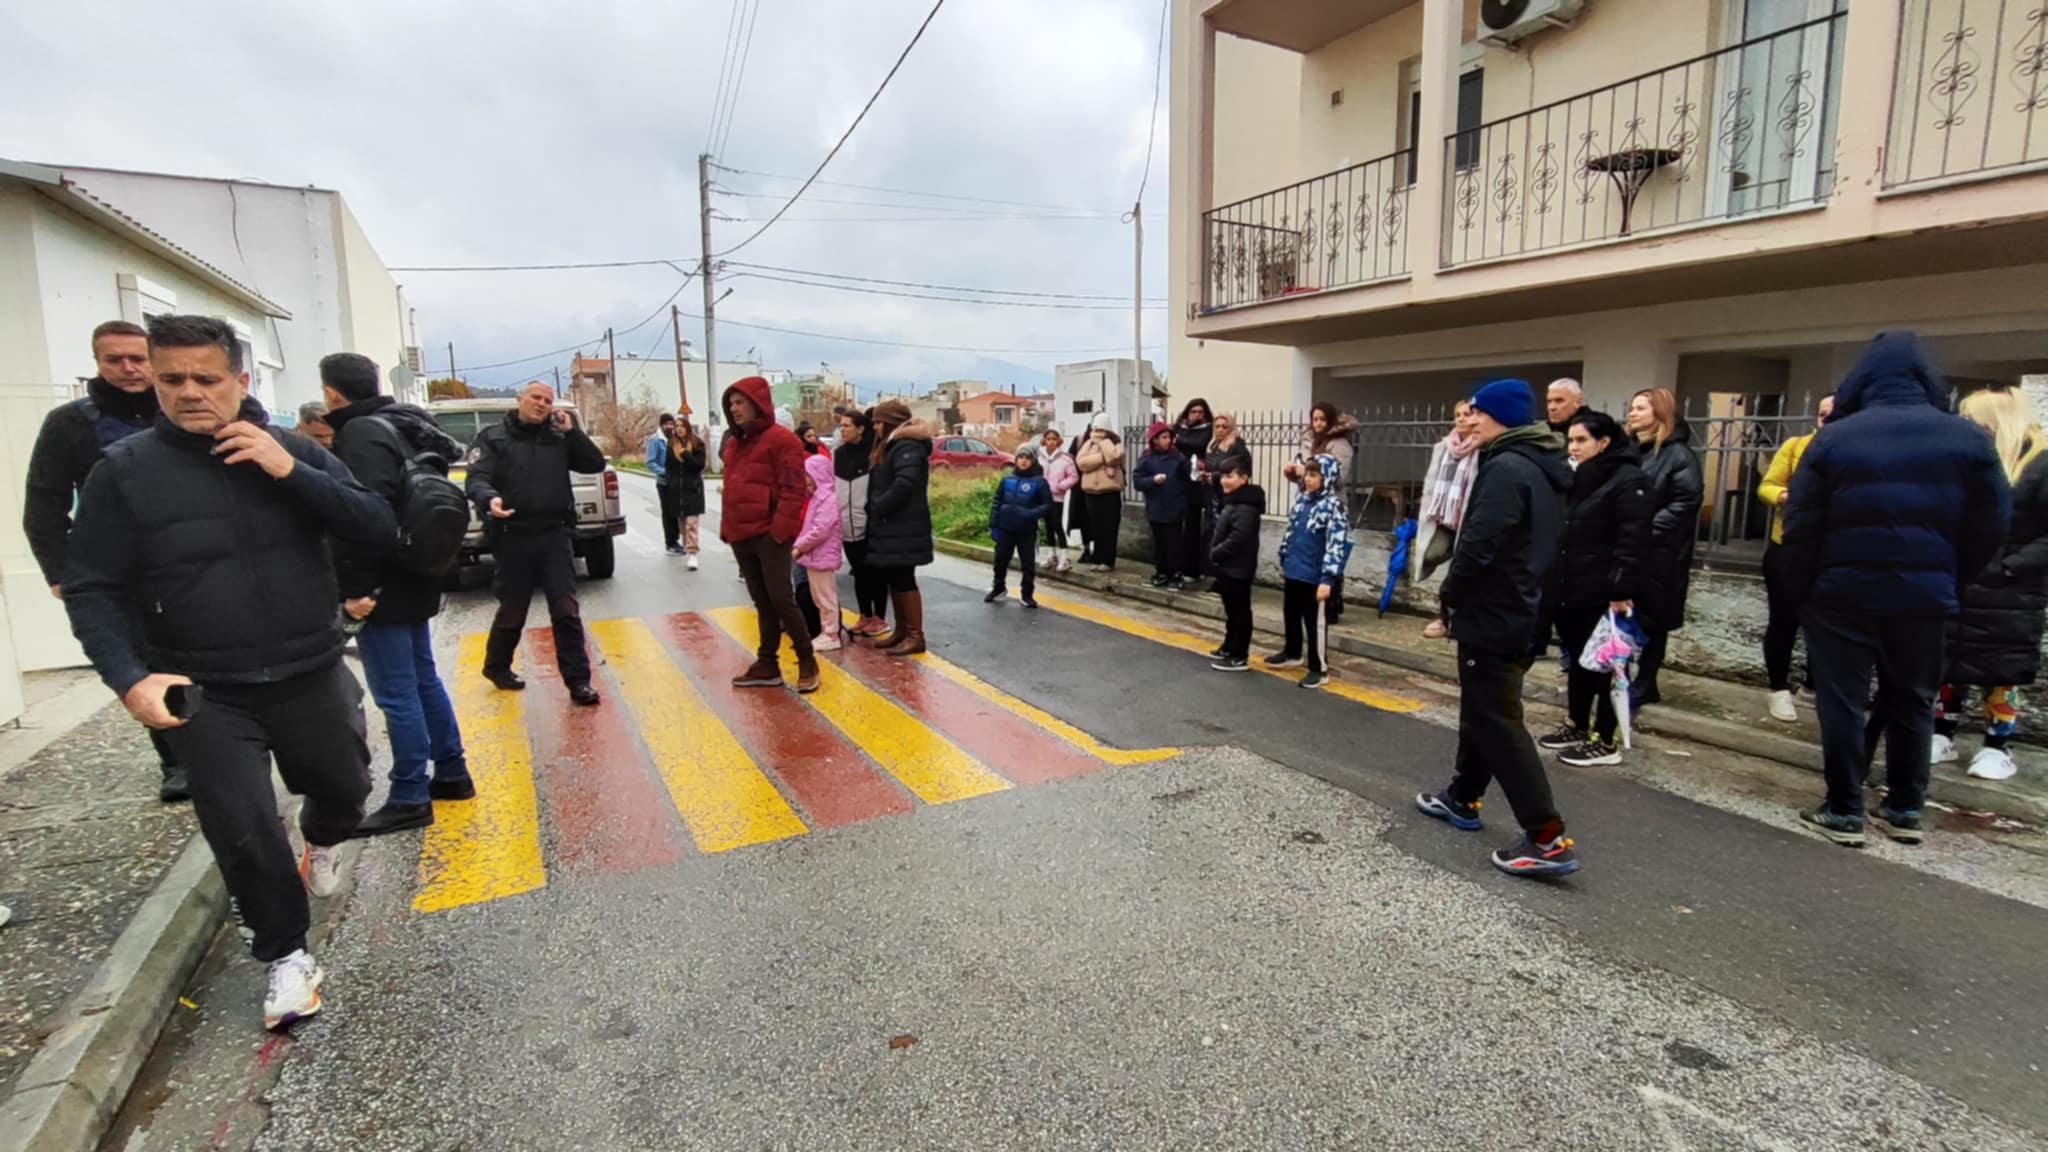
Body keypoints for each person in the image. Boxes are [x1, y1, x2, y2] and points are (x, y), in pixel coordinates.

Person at [63, 314, 393, 1030]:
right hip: (204, 687)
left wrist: (291, 471)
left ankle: (325, 836)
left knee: (347, 786)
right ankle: (285, 955)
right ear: (152, 378)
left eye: (206, 379)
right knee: (242, 827)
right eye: (171, 378)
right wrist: (128, 677)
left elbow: (374, 524)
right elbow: (91, 586)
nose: (188, 392)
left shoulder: (294, 453)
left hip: (309, 667)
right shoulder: (123, 474)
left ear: (240, 382)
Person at [1782, 332, 2009, 848]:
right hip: (1925, 595)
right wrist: (1954, 576)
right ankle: (1905, 807)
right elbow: (1993, 523)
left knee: (1842, 702)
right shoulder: (1968, 439)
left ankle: (1844, 809)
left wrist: (1805, 592)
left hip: (1842, 592)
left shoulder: (1835, 439)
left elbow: (1802, 525)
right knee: (1913, 700)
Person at [1415, 378, 1579, 878]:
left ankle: (1546, 837)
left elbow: (1480, 544)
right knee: (1483, 708)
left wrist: (1450, 598)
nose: (1470, 421)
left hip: (1495, 610)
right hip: (1525, 605)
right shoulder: (1541, 463)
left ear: (1500, 416)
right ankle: (1463, 797)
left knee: (1498, 719)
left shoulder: (1506, 466)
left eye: (1478, 413)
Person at [22, 320, 189, 802]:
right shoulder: (71, 423)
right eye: (114, 360)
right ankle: (176, 756)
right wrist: (60, 571)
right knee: (145, 659)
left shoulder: (179, 408)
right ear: (96, 363)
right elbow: (44, 502)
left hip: (189, 560)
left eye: (138, 358)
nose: (128, 368)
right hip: (122, 570)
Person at [318, 353, 472, 837]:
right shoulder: (409, 425)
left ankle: (409, 793)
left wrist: (356, 591)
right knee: (423, 678)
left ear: (332, 394)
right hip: (419, 569)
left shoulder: (361, 434)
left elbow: (364, 518)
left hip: (384, 578)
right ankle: (451, 772)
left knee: (396, 691)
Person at [465, 381, 608, 706]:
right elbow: (477, 478)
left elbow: (594, 463)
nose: (541, 404)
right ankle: (497, 667)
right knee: (514, 607)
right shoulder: (493, 437)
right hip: (512, 535)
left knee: (566, 608)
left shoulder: (558, 436)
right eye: (535, 398)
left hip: (554, 534)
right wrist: (490, 500)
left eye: (547, 399)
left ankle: (578, 682)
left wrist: (573, 433)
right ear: (520, 400)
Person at [1931, 387, 2048, 782]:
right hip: (1962, 579)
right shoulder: (1971, 462)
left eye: (1973, 419)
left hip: (2009, 591)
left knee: (2002, 672)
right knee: (1951, 664)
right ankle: (1941, 734)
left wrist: (2011, 568)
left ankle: (1998, 747)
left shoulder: (2040, 463)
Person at [1535, 410, 1651, 768]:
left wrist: (1621, 589)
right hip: (1571, 585)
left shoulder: (1628, 480)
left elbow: (1632, 540)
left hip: (1603, 591)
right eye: (1571, 440)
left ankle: (1605, 738)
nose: (1574, 447)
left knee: (1606, 664)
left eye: (1582, 440)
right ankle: (1577, 723)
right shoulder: (1578, 478)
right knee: (1578, 661)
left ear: (1603, 443)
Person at [720, 376, 819, 692]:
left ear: (757, 403)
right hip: (741, 534)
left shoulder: (783, 440)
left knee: (780, 597)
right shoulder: (735, 444)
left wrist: (780, 532)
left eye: (740, 402)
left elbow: (794, 489)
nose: (734, 409)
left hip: (769, 534)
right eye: (731, 403)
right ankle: (767, 663)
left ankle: (807, 659)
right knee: (761, 601)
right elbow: (732, 489)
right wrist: (729, 529)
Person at [1756, 396, 1835, 721]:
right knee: (1784, 621)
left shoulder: (1855, 454)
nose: (1825, 420)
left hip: (1832, 552)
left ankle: (1814, 688)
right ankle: (1778, 688)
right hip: (1788, 546)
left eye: (1834, 415)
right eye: (1821, 414)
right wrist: (1787, 496)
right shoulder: (1796, 447)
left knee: (1826, 624)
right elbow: (1767, 487)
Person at [1626, 386, 1703, 708]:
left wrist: (1644, 529)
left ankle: (1646, 682)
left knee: (1654, 622)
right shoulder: (1629, 451)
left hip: (1661, 555)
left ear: (1659, 412)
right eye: (1631, 407)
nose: (1632, 413)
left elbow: (1685, 502)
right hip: (1629, 550)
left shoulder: (1678, 455)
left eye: (1640, 408)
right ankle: (1623, 678)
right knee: (1626, 617)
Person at [1267, 454, 1353, 690]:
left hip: (1315, 576)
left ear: (1328, 478)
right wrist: (1284, 557)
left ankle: (1319, 667)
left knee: (1315, 623)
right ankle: (1292, 652)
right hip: (1295, 570)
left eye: (1314, 475)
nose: (1308, 479)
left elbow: (1336, 544)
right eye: (1307, 474)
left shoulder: (1334, 506)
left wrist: (1328, 579)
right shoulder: (1302, 500)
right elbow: (1291, 530)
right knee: (1291, 614)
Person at [865, 399, 936, 656]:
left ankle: (915, 635)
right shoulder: (894, 446)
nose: (874, 427)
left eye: (878, 422)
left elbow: (905, 483)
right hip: (893, 525)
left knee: (904, 579)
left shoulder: (907, 446)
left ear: (890, 422)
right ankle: (902, 630)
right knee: (894, 578)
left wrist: (879, 507)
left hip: (903, 525)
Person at [1415, 400, 1482, 640]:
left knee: (1459, 571)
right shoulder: (1444, 447)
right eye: (1458, 415)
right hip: (1444, 516)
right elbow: (1432, 480)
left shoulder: (1482, 448)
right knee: (1432, 555)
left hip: (1469, 517)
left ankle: (1448, 619)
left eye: (1467, 414)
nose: (1462, 418)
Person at [835, 407, 888, 638]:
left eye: (847, 426)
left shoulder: (874, 454)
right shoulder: (838, 454)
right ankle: (865, 614)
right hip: (846, 525)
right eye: (841, 426)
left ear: (860, 429)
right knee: (858, 572)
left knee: (875, 573)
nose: (842, 430)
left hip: (870, 525)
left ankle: (880, 617)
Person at [1208, 459, 1265, 673]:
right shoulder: (1233, 501)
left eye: (1230, 476)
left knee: (1240, 613)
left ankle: (1240, 654)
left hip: (1238, 568)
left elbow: (1238, 538)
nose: (1225, 481)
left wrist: (1217, 552)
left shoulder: (1246, 506)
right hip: (1228, 568)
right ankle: (1229, 647)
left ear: (1243, 478)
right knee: (1232, 612)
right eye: (1223, 476)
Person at [987, 443, 1054, 607]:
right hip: (1005, 528)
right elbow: (996, 503)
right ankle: (998, 587)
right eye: (1020, 457)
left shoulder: (1040, 482)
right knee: (1000, 560)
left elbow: (1047, 505)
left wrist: (1030, 514)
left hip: (1026, 530)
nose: (1023, 461)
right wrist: (994, 525)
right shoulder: (1007, 480)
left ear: (1033, 461)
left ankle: (1027, 594)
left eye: (1027, 458)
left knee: (1027, 563)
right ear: (1016, 460)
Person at [792, 452, 845, 652]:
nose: (806, 481)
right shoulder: (817, 498)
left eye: (808, 476)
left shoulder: (828, 499)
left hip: (821, 555)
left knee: (825, 597)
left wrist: (800, 546)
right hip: (814, 556)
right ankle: (826, 631)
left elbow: (820, 530)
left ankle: (831, 634)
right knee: (818, 597)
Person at [1133, 422, 1191, 590]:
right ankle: (1161, 572)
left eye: (1169, 437)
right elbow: (1137, 481)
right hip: (1156, 507)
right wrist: (1152, 480)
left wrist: (1195, 469)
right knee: (1160, 543)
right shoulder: (1146, 458)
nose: (1168, 441)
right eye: (1164, 437)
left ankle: (1175, 573)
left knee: (1175, 542)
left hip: (1175, 507)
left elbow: (1189, 476)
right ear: (1155, 440)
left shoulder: (1178, 457)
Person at [1075, 415, 1126, 571]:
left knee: (1109, 527)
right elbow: (1081, 462)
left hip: (1110, 491)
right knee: (1095, 527)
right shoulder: (1088, 443)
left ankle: (1108, 561)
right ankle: (1097, 558)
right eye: (1095, 429)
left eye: (1101, 430)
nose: (1097, 433)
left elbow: (1114, 457)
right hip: (1091, 492)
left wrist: (1103, 444)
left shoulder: (1116, 443)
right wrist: (1101, 458)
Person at [1171, 399, 1214, 580]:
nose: (1197, 415)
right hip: (1179, 480)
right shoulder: (1179, 428)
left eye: (1200, 411)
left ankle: (1193, 569)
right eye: (1193, 411)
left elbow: (1198, 444)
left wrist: (1180, 440)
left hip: (1197, 483)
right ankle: (1178, 566)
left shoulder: (1206, 429)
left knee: (1193, 526)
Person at [666, 417, 708, 569]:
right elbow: (668, 467)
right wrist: (670, 483)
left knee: (692, 523)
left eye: (682, 426)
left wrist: (685, 455)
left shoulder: (697, 444)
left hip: (693, 489)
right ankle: (687, 547)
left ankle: (692, 553)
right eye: (676, 426)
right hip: (677, 490)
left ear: (688, 428)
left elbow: (699, 465)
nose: (679, 429)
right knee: (683, 524)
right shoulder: (671, 445)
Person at [1039, 428, 1080, 572]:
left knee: (1057, 525)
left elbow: (1074, 477)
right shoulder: (1040, 458)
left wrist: (1060, 486)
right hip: (1043, 497)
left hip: (1057, 497)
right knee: (1048, 526)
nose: (1051, 442)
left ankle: (1065, 556)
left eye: (1054, 439)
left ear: (1058, 441)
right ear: (1044, 441)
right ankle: (1052, 555)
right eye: (1048, 439)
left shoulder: (1065, 458)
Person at [648, 414, 683, 556]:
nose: (670, 427)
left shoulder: (675, 439)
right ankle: (670, 542)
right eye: (667, 424)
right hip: (664, 483)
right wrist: (664, 472)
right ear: (662, 425)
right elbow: (650, 462)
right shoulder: (656, 440)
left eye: (671, 424)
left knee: (677, 511)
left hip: (677, 482)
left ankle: (679, 541)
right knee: (668, 513)